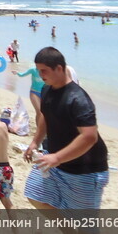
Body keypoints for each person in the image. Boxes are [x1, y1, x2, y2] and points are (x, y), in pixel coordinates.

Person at [23, 46, 109, 210]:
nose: (41, 75)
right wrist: (35, 142)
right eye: (38, 71)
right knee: (34, 194)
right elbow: (45, 116)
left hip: (85, 169)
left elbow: (90, 136)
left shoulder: (78, 99)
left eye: (44, 71)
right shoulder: (46, 89)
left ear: (59, 68)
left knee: (85, 225)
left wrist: (57, 158)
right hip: (56, 162)